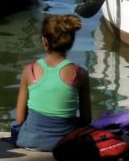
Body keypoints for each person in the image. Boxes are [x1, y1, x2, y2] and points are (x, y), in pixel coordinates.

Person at [13, 14, 92, 151]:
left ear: (44, 41)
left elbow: (20, 119)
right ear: (71, 42)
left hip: (30, 142)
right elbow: (86, 120)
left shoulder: (29, 70)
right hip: (65, 146)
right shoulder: (80, 74)